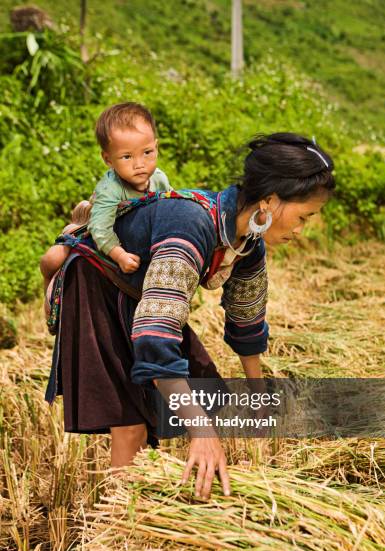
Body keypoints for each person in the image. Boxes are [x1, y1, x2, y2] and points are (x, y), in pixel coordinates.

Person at [44, 132, 335, 500]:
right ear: (271, 202)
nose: (300, 229)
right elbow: (155, 334)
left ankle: (156, 494)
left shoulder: (247, 243)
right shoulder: (191, 224)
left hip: (142, 295)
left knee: (207, 396)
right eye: (303, 216)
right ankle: (116, 524)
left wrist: (258, 395)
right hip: (98, 286)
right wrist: (201, 433)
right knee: (133, 421)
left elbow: (246, 318)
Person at [40, 102, 172, 284]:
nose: (139, 164)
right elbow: (100, 229)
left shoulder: (159, 179)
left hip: (137, 236)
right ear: (108, 159)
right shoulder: (110, 189)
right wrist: (119, 256)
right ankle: (50, 290)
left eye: (147, 152)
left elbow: (172, 206)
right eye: (127, 156)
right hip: (97, 227)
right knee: (52, 259)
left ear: (156, 148)